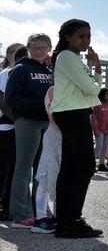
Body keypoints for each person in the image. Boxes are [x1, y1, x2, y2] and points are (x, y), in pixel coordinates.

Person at [49, 19, 104, 238]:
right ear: (67, 37)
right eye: (81, 36)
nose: (86, 40)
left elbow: (91, 90)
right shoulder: (68, 57)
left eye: (88, 36)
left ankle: (65, 221)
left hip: (72, 112)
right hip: (73, 113)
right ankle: (71, 220)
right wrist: (95, 78)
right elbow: (91, 88)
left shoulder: (71, 58)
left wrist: (96, 67)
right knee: (85, 166)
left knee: (70, 167)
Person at [4, 34, 54, 228]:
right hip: (28, 121)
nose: (39, 51)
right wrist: (39, 106)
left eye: (43, 47)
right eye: (34, 47)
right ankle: (20, 213)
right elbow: (11, 99)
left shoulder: (49, 70)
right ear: (28, 47)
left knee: (42, 170)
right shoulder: (20, 69)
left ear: (49, 48)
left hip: (46, 122)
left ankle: (40, 208)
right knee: (23, 168)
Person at [0, 43, 27, 219]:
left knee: (17, 170)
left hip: (21, 127)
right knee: (3, 168)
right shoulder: (5, 74)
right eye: (13, 52)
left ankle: (9, 206)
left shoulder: (24, 72)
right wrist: (19, 121)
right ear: (8, 55)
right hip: (7, 127)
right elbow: (2, 101)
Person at [32, 86, 60, 234]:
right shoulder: (53, 90)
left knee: (60, 177)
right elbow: (52, 117)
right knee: (45, 175)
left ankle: (57, 216)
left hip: (64, 138)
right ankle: (40, 218)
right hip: (55, 136)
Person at [91, 88, 108, 172]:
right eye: (107, 94)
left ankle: (101, 164)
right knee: (99, 145)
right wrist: (96, 129)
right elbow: (94, 118)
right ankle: (91, 164)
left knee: (104, 147)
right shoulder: (97, 105)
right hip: (99, 129)